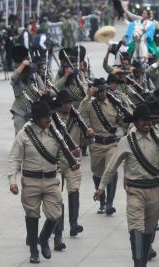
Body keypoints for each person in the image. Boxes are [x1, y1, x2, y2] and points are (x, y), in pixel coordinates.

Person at [94, 103, 159, 266]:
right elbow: (112, 165)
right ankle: (138, 262)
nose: (146, 123)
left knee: (149, 229)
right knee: (136, 227)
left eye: (149, 120)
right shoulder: (127, 141)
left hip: (155, 190)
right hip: (135, 190)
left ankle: (143, 260)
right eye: (142, 120)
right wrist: (101, 186)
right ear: (136, 121)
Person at [8, 101, 80, 263]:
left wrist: (73, 158)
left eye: (49, 115)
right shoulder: (24, 134)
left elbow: (61, 157)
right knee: (32, 215)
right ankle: (34, 250)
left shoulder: (55, 133)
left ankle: (43, 238)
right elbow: (14, 158)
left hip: (51, 180)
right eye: (44, 116)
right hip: (31, 180)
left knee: (55, 214)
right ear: (36, 118)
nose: (49, 119)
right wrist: (12, 180)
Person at [50, 91, 94, 250]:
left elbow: (88, 139)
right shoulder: (52, 119)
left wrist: (90, 134)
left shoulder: (77, 118)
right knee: (56, 196)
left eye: (70, 103)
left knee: (74, 190)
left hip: (73, 161)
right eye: (65, 103)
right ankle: (56, 228)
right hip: (55, 161)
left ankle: (74, 223)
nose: (68, 106)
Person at [79, 78, 130, 215]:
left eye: (104, 90)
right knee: (97, 173)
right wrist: (88, 96)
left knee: (111, 170)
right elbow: (80, 114)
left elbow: (122, 122)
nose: (102, 93)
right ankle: (102, 200)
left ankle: (109, 204)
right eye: (99, 90)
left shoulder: (114, 104)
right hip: (96, 144)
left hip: (112, 143)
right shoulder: (90, 104)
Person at [10, 58, 47, 134]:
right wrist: (23, 65)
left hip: (31, 113)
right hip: (20, 113)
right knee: (21, 136)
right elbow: (13, 77)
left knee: (33, 138)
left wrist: (36, 76)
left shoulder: (33, 80)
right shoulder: (17, 81)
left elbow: (42, 90)